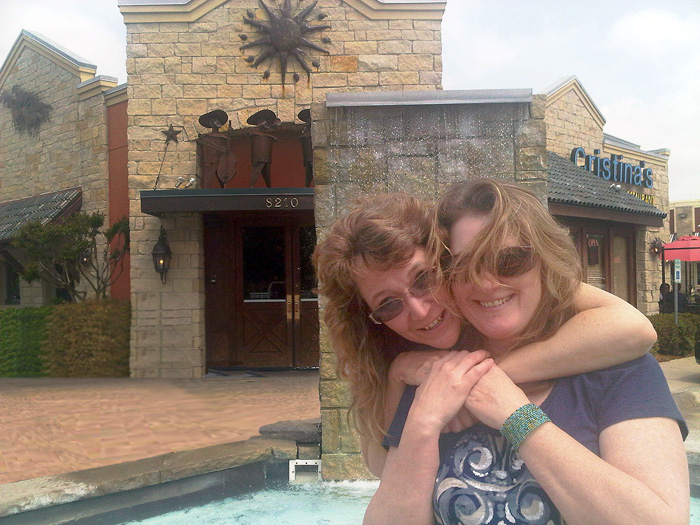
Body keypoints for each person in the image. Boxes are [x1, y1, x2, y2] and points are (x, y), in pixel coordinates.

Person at [363, 180, 688, 524]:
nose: (486, 283)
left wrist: (518, 418)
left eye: (509, 260)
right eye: (464, 266)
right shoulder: (436, 378)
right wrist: (423, 422)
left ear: (545, 261)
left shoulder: (620, 370)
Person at [313, 192, 657, 479]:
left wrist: (469, 381)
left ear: (446, 262)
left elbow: (634, 328)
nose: (419, 311)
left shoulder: (513, 288)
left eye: (423, 279)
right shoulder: (387, 354)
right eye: (388, 305)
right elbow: (382, 468)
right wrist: (396, 375)